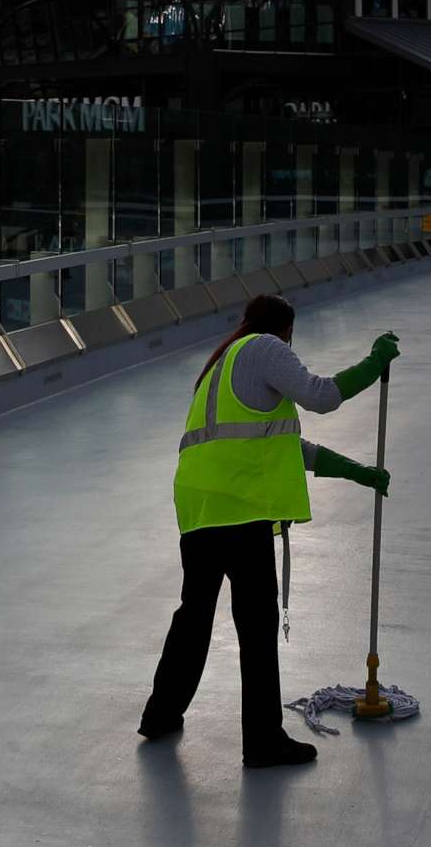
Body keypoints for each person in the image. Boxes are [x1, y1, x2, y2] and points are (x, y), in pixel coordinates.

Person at [140, 295, 396, 768]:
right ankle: (262, 741)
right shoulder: (267, 349)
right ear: (287, 329)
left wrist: (357, 471)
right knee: (256, 630)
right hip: (240, 513)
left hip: (199, 507)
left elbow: (286, 447)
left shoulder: (224, 364)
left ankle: (160, 715)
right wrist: (374, 360)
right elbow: (321, 396)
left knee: (193, 619)